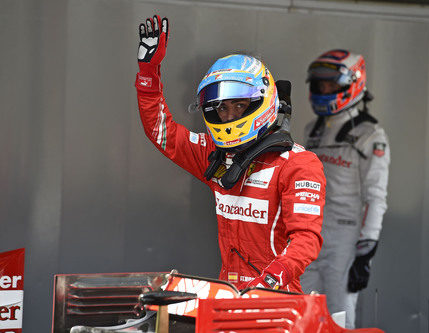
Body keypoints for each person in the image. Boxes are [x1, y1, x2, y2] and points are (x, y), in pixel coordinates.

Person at [135, 15, 326, 293]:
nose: (229, 115)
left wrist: (269, 281)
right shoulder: (215, 157)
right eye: (222, 108)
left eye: (239, 105)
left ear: (263, 100)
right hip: (229, 295)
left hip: (276, 298)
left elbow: (306, 239)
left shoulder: (298, 164)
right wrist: (148, 74)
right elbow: (160, 131)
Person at [299, 49, 390, 328]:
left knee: (339, 317)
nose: (324, 89)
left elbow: (376, 198)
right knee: (301, 313)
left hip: (345, 239)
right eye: (320, 83)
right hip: (308, 235)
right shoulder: (311, 130)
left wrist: (366, 250)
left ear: (353, 83)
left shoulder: (371, 134)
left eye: (331, 84)